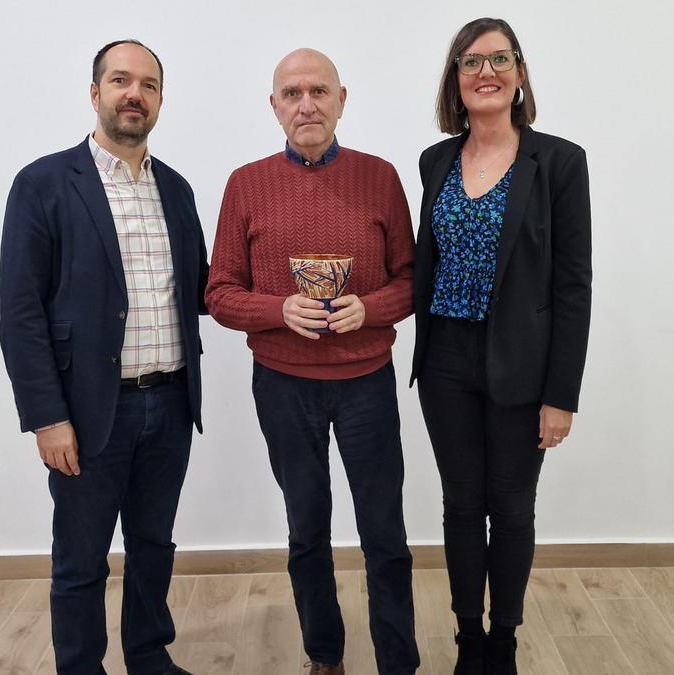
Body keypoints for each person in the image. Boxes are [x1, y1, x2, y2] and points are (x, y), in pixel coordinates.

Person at [205, 48, 420, 675]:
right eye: (293, 93)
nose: (307, 104)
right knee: (307, 529)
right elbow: (219, 292)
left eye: (319, 92)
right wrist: (280, 312)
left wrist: (371, 308)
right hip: (282, 385)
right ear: (274, 106)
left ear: (342, 99)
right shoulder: (245, 184)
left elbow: (412, 280)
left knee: (384, 534)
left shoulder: (379, 177)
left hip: (366, 384)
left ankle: (398, 662)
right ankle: (324, 656)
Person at [0, 39, 207, 675]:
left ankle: (149, 657)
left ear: (161, 101)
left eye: (147, 85)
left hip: (170, 403)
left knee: (154, 548)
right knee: (81, 559)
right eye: (120, 81)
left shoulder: (176, 189)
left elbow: (202, 288)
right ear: (96, 94)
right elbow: (21, 312)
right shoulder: (43, 184)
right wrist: (46, 417)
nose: (133, 94)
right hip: (88, 415)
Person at [410, 17, 592, 675]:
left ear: (518, 75)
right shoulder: (434, 161)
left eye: (500, 59)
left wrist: (560, 395)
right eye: (471, 62)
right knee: (461, 503)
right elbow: (423, 262)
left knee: (511, 506)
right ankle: (468, 638)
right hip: (445, 360)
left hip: (523, 360)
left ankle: (505, 641)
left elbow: (574, 285)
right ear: (455, 82)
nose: (486, 73)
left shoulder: (560, 162)